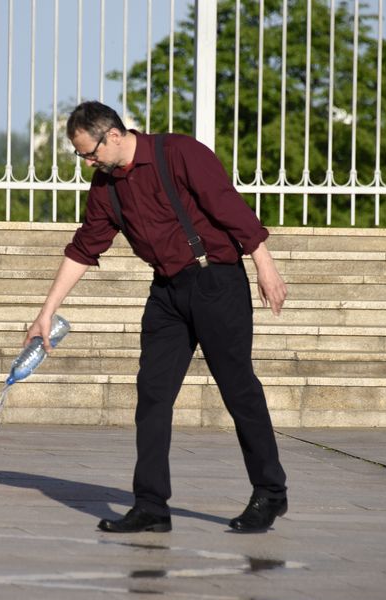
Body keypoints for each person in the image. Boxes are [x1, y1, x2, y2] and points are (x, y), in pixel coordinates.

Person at [25, 101, 288, 533]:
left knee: (238, 387)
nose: (87, 162)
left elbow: (227, 205)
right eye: (81, 156)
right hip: (167, 292)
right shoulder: (105, 187)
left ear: (112, 135)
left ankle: (270, 493)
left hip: (216, 281)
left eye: (89, 153)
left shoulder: (180, 153)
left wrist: (264, 263)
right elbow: (85, 248)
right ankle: (151, 506)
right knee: (152, 393)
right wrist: (46, 312)